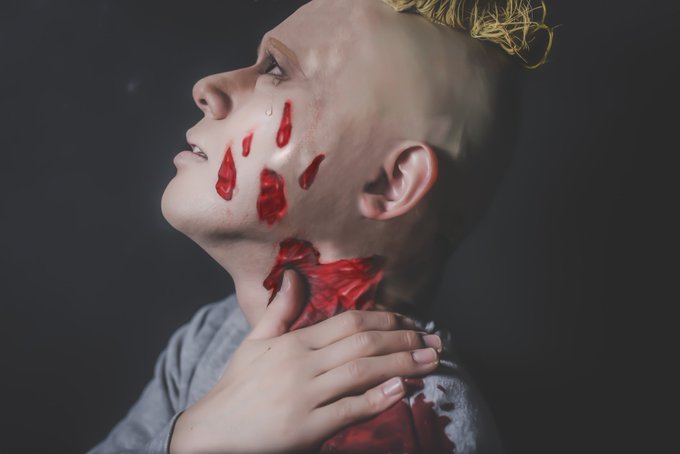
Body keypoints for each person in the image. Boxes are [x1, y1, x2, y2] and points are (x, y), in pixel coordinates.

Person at [88, 0, 552, 452]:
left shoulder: (419, 422)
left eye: (275, 70)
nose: (206, 88)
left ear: (390, 182)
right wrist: (192, 439)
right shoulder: (209, 336)